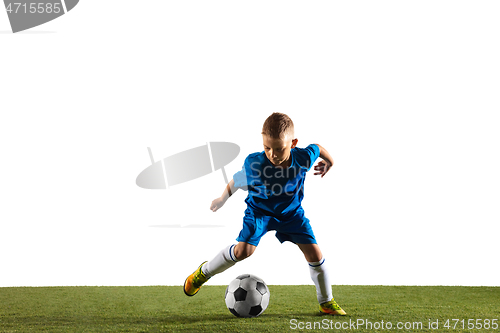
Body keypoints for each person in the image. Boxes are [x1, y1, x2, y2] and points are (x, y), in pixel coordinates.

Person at [183, 112, 346, 315]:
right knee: (244, 251)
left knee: (315, 254)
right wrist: (222, 198)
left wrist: (330, 162)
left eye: (279, 149)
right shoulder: (255, 163)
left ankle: (326, 301)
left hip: (292, 214)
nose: (272, 154)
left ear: (293, 143)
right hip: (259, 212)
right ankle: (202, 273)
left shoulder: (303, 157)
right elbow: (237, 180)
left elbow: (318, 148)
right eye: (267, 148)